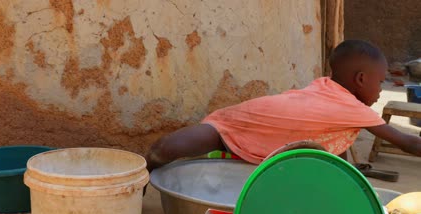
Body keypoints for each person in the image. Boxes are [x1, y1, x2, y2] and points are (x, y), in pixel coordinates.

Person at [145, 40, 421, 172]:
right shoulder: (353, 108)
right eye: (380, 82)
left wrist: (347, 170)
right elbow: (408, 143)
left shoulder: (327, 86)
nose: (379, 90)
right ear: (360, 79)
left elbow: (336, 140)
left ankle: (149, 163)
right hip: (240, 124)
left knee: (210, 137)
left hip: (249, 120)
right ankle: (145, 168)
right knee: (181, 145)